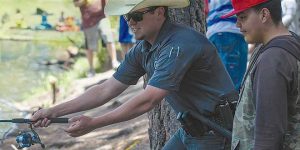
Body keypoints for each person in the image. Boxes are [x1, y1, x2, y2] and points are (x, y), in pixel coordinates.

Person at [32, 0, 237, 149]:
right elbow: (106, 89)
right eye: (126, 16)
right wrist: (54, 111)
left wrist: (95, 123)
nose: (130, 21)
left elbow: (147, 100)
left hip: (216, 133)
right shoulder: (143, 48)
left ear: (159, 12)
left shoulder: (179, 45)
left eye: (136, 15)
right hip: (191, 129)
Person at [221, 0, 300, 149]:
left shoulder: (272, 59)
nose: (238, 24)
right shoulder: (291, 41)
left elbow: (269, 135)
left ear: (264, 14)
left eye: (242, 17)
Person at [206, 0, 248, 90]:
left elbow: (205, 8)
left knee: (218, 80)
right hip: (231, 29)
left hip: (213, 31)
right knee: (232, 82)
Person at [73, 0, 119, 77]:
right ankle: (91, 69)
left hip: (102, 17)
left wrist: (108, 12)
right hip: (88, 21)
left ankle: (114, 62)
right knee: (90, 46)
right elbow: (75, 4)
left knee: (108, 36)